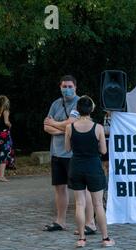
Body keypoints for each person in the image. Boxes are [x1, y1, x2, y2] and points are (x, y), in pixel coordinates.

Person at [43, 75, 96, 233]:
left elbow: (71, 124)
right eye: (64, 86)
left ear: (75, 87)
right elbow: (46, 126)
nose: (67, 89)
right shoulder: (56, 104)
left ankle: (90, 223)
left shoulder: (80, 103)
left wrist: (56, 125)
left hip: (73, 154)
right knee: (59, 187)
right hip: (57, 153)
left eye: (70, 86)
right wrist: (64, 129)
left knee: (81, 190)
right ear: (60, 87)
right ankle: (60, 221)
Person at [65, 96, 115, 248]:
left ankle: (81, 239)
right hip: (93, 166)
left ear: (78, 110)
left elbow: (67, 149)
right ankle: (105, 239)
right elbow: (104, 150)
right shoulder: (98, 127)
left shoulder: (69, 127)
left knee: (80, 204)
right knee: (98, 204)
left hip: (76, 166)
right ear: (92, 109)